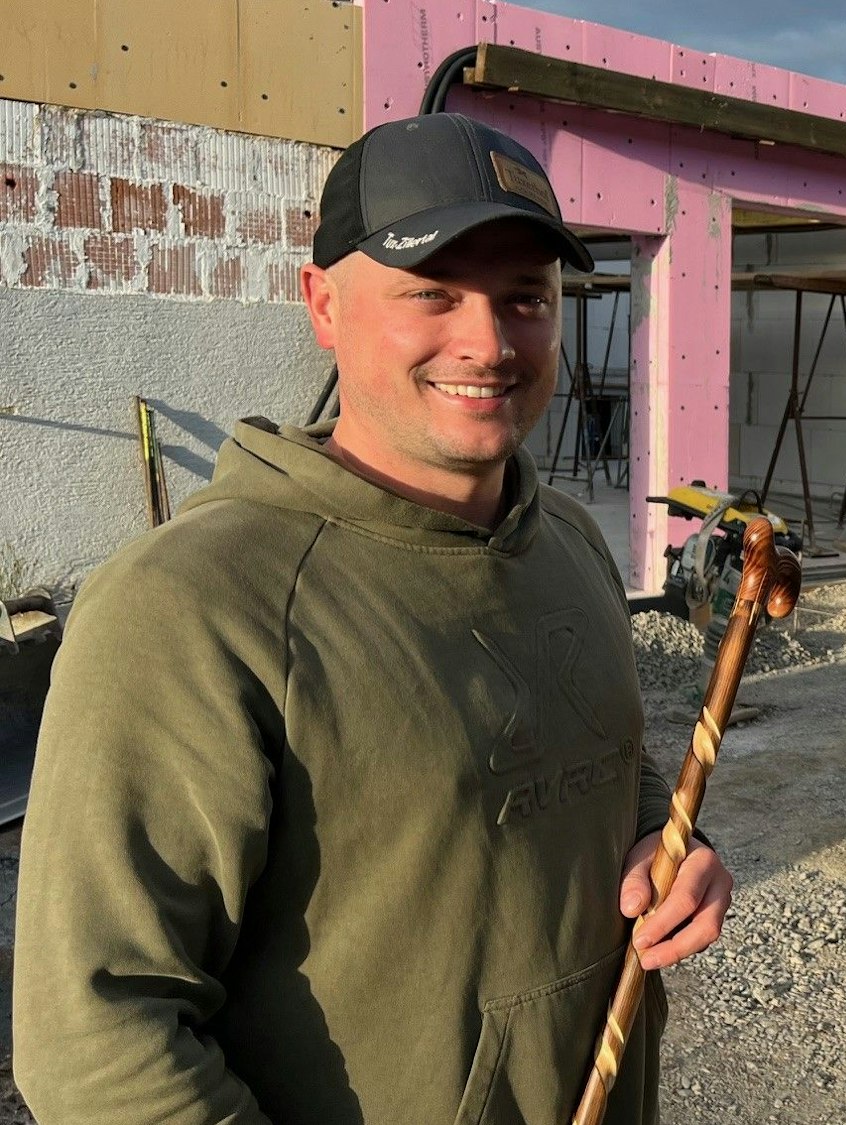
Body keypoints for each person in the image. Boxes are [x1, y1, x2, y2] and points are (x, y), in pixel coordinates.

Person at [14, 113, 730, 1124]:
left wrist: (660, 842)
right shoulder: (192, 608)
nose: (486, 342)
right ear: (322, 304)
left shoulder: (564, 539)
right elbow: (95, 1040)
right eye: (431, 290)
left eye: (524, 296)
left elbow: (605, 761)